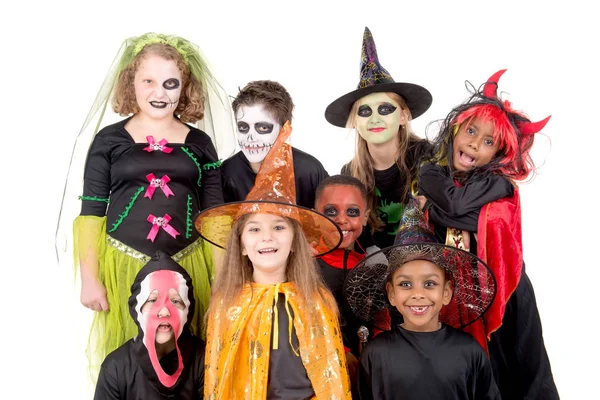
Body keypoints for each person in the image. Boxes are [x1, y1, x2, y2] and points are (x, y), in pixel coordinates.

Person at [55, 32, 233, 376]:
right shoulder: (108, 140)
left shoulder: (200, 143)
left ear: (185, 88)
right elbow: (92, 212)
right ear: (130, 84)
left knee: (190, 357)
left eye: (170, 83)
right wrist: (90, 279)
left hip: (189, 262)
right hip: (125, 263)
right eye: (148, 81)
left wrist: (223, 280)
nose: (159, 92)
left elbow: (215, 217)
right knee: (132, 361)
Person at [417, 69, 558, 399]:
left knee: (526, 363)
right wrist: (463, 213)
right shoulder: (430, 172)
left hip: (508, 288)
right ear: (456, 130)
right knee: (482, 369)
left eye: (488, 142)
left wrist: (429, 209)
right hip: (459, 290)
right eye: (471, 131)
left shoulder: (499, 183)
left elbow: (454, 207)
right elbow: (461, 210)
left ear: (498, 154)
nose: (474, 143)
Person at [195, 122, 351, 399]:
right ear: (241, 245)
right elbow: (219, 381)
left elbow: (331, 382)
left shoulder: (316, 300)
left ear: (294, 242)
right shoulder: (227, 304)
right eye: (254, 229)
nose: (267, 238)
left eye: (279, 227)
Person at [344, 200, 500, 399]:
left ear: (446, 292)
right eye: (405, 284)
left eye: (429, 284)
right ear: (391, 293)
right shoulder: (376, 353)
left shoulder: (469, 351)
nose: (418, 294)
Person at [324, 27, 433, 249]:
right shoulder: (350, 174)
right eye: (365, 111)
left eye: (385, 109)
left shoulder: (427, 157)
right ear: (354, 121)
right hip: (376, 267)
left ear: (403, 116)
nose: (374, 119)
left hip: (426, 264)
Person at [94, 251, 205, 399]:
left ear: (188, 309)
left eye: (176, 301)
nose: (164, 311)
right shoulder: (116, 366)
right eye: (152, 300)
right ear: (136, 309)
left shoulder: (205, 360)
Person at [222, 80, 329, 208]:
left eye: (262, 128)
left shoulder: (309, 171)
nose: (250, 137)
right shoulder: (227, 173)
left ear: (285, 129)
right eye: (243, 127)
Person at [313, 175, 370, 389]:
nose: (341, 220)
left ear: (365, 217)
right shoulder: (303, 265)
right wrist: (341, 353)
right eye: (331, 212)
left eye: (352, 212)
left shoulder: (372, 265)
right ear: (316, 215)